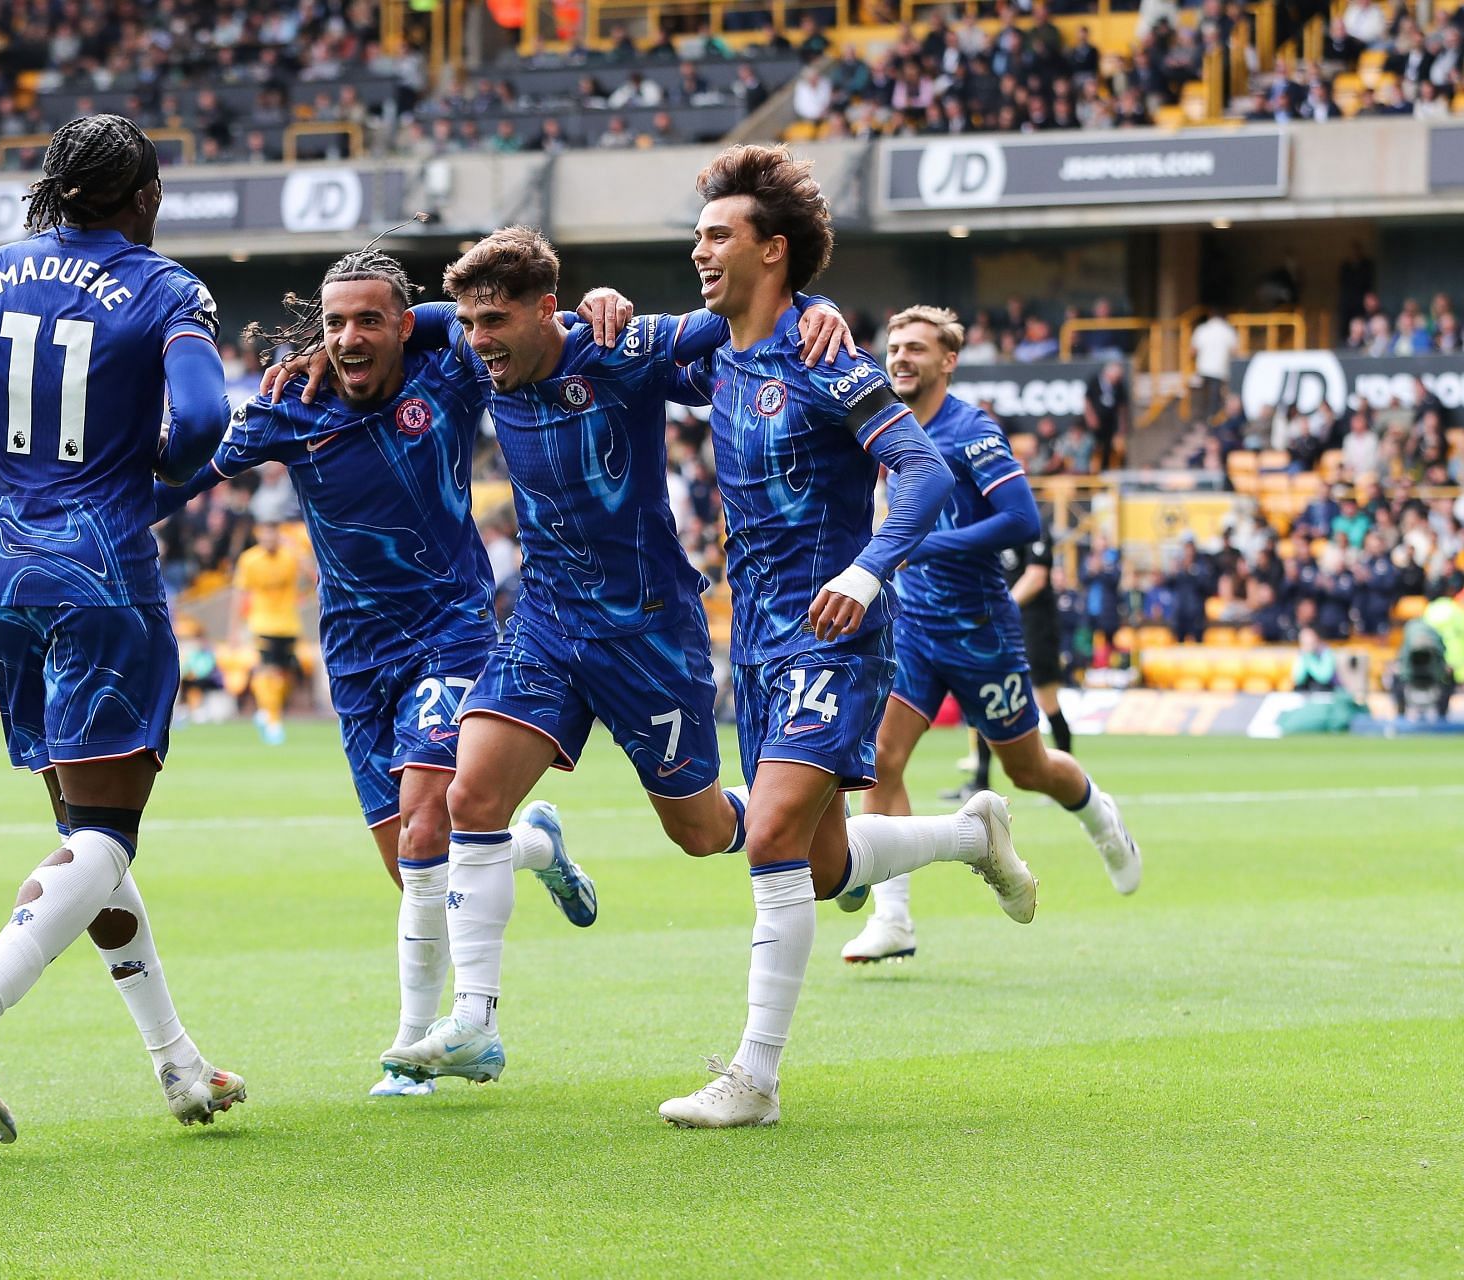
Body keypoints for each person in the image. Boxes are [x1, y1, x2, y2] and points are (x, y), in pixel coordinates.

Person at [377, 227, 845, 1089]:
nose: (477, 340)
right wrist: (318, 352)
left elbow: (749, 317)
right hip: (548, 622)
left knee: (701, 832)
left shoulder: (621, 348)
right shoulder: (466, 342)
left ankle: (832, 822)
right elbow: (398, 318)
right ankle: (475, 1021)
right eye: (470, 322)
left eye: (494, 321)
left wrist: (819, 310)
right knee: (468, 791)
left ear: (545, 309)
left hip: (649, 633)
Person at [0, 113, 241, 1142]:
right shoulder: (167, 287)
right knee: (104, 838)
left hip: (4, 581)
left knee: (88, 845)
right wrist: (153, 471)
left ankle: (177, 1063)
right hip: (105, 574)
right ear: (144, 196)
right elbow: (205, 423)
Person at [655, 148, 1035, 1129]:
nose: (698, 248)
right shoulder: (711, 351)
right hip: (756, 645)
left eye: (717, 234)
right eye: (697, 234)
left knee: (770, 833)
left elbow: (922, 471)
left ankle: (755, 1077)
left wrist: (866, 568)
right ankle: (969, 832)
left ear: (772, 251)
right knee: (817, 867)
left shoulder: (828, 358)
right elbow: (573, 343)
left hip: (837, 633)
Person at [163, 247, 597, 1098]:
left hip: (452, 631)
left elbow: (479, 321)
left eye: (370, 320)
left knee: (427, 824)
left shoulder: (449, 373)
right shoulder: (293, 407)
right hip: (358, 658)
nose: (348, 337)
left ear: (404, 324)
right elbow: (175, 482)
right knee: (412, 868)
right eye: (333, 324)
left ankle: (414, 1051)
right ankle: (535, 844)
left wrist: (423, 319)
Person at [842, 305, 1141, 967]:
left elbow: (1021, 519)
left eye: (917, 348)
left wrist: (928, 543)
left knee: (1028, 769)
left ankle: (1101, 817)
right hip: (914, 625)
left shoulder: (971, 430)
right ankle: (894, 920)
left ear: (948, 361)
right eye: (895, 347)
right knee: (880, 761)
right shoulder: (888, 425)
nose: (901, 358)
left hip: (980, 630)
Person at [947, 523, 1072, 804]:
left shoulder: (1032, 522)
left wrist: (1003, 607)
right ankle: (980, 781)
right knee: (983, 695)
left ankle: (1067, 779)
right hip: (997, 624)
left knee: (1047, 699)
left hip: (1034, 625)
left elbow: (1037, 577)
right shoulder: (988, 523)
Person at [230, 520, 309, 745]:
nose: (269, 539)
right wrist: (234, 630)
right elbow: (240, 594)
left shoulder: (290, 556)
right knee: (266, 670)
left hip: (289, 623)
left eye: (273, 534)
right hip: (261, 623)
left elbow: (312, 574)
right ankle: (272, 720)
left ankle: (266, 714)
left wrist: (294, 548)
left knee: (286, 674)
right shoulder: (249, 560)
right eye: (265, 535)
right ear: (259, 536)